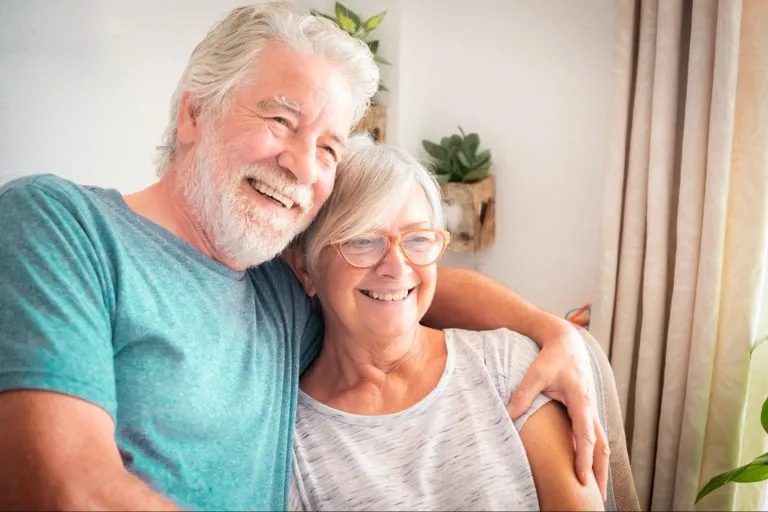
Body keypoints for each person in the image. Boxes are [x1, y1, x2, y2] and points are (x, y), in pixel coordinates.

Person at [0, 2, 608, 511]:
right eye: (280, 120)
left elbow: (399, 281)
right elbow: (64, 491)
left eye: (327, 147)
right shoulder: (61, 225)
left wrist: (550, 332)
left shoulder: (277, 288)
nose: (299, 164)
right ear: (194, 112)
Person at [284, 140, 605, 511]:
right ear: (305, 269)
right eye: (362, 240)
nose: (397, 266)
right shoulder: (292, 443)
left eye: (418, 239)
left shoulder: (508, 365)